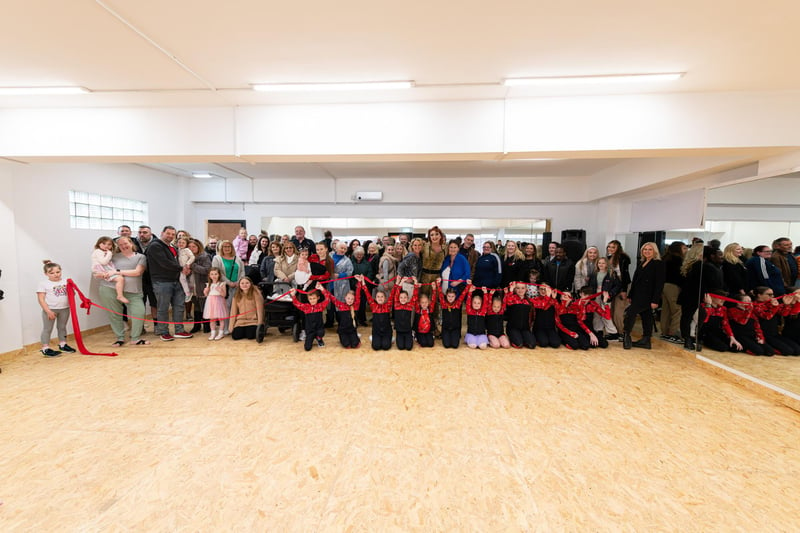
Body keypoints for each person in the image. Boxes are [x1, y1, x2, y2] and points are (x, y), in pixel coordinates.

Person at [94, 237, 149, 347]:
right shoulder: (112, 257)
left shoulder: (140, 257)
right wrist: (101, 274)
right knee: (114, 314)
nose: (124, 246)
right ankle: (120, 338)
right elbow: (98, 271)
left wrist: (117, 272)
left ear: (131, 243)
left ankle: (135, 338)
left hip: (134, 291)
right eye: (120, 244)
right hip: (109, 288)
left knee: (139, 312)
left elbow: (137, 272)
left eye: (125, 243)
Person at [145, 226, 193, 341]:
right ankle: (164, 332)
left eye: (173, 234)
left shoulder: (172, 247)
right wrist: (181, 268)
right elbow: (164, 262)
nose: (170, 236)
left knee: (179, 307)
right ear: (162, 233)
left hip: (176, 281)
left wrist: (185, 268)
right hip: (162, 282)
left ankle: (179, 330)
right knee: (163, 308)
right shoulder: (155, 246)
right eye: (168, 233)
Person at [622, 242, 665, 350]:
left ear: (654, 251)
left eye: (650, 249)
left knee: (630, 314)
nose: (647, 251)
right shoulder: (642, 262)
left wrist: (655, 300)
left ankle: (626, 335)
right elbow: (636, 281)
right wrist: (630, 295)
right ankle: (646, 340)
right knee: (647, 317)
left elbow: (659, 283)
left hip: (648, 296)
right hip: (638, 294)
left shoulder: (658, 264)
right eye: (645, 249)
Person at [37, 260, 75, 356]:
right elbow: (41, 299)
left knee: (62, 327)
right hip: (50, 309)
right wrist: (48, 311)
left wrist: (72, 289)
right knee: (47, 329)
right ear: (46, 274)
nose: (56, 274)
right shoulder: (44, 284)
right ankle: (45, 348)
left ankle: (63, 344)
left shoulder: (66, 281)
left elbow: (72, 294)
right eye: (52, 273)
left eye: (58, 272)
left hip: (64, 309)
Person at [211, 240, 245, 335]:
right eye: (225, 246)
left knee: (236, 307)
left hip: (237, 286)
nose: (227, 248)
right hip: (224, 287)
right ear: (221, 248)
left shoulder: (237, 258)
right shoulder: (217, 258)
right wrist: (229, 282)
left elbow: (242, 271)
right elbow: (217, 272)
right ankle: (225, 328)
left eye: (229, 246)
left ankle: (236, 327)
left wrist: (239, 282)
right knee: (225, 308)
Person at [588, 257, 620, 340]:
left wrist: (610, 293)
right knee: (596, 314)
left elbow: (617, 286)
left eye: (603, 263)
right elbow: (590, 285)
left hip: (605, 296)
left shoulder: (611, 273)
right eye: (599, 263)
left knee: (605, 314)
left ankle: (613, 333)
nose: (601, 265)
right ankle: (598, 330)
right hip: (595, 296)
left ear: (606, 264)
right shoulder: (594, 273)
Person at [359, 276, 395, 351]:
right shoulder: (373, 306)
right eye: (378, 297)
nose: (380, 298)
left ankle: (390, 339)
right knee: (376, 347)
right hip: (377, 332)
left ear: (385, 298)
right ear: (375, 298)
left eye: (382, 297)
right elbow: (367, 293)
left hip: (386, 332)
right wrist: (362, 281)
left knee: (386, 347)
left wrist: (398, 282)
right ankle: (374, 338)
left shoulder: (387, 306)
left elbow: (392, 294)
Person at [660, 241, 686, 343]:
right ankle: (673, 333)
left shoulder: (665, 259)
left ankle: (665, 332)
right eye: (684, 248)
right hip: (674, 287)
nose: (686, 250)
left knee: (666, 310)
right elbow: (680, 276)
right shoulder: (678, 260)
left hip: (664, 286)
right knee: (677, 310)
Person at [290, 286, 329, 351]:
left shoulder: (320, 306)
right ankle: (312, 338)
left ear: (318, 298)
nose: (312, 300)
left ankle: (319, 339)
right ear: (308, 299)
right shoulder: (306, 307)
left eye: (314, 298)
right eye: (310, 299)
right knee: (307, 348)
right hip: (310, 331)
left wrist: (322, 289)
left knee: (321, 333)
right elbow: (296, 303)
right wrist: (293, 295)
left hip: (319, 329)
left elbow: (327, 299)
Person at [91, 236, 128, 304]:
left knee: (120, 278)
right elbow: (103, 262)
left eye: (109, 244)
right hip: (101, 269)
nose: (106, 246)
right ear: (99, 244)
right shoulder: (98, 251)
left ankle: (120, 295)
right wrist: (109, 253)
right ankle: (120, 295)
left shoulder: (103, 252)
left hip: (105, 268)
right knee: (120, 279)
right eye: (104, 244)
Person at [606, 240, 632, 336]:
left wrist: (624, 290)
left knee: (618, 311)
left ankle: (622, 332)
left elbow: (625, 275)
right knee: (611, 310)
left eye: (613, 247)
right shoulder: (608, 258)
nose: (610, 249)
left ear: (618, 248)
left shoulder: (623, 258)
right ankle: (614, 332)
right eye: (609, 247)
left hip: (622, 285)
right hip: (613, 285)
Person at [187, 239, 212, 334]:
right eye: (189, 247)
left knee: (204, 305)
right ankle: (196, 325)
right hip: (192, 284)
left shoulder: (204, 256)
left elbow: (207, 270)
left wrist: (193, 266)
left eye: (194, 247)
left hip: (201, 284)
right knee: (196, 306)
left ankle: (207, 326)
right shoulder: (187, 257)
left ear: (198, 247)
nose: (191, 249)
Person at [438, 279, 469, 349]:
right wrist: (438, 284)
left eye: (452, 296)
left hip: (455, 329)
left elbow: (464, 294)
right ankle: (445, 335)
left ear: (455, 297)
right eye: (449, 296)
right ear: (446, 296)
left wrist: (468, 285)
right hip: (446, 328)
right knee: (447, 345)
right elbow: (440, 293)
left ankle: (455, 336)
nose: (450, 298)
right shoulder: (444, 304)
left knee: (455, 345)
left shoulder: (457, 304)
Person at [504, 282, 536, 349]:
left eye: (522, 288)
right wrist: (510, 291)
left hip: (525, 328)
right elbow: (507, 301)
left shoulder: (529, 301)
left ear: (526, 289)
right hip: (513, 328)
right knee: (519, 344)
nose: (520, 290)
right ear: (515, 289)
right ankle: (515, 337)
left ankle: (523, 337)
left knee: (532, 344)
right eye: (518, 288)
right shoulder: (512, 298)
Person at [350, 246, 373, 326]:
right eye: (357, 254)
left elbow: (370, 274)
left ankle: (362, 320)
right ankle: (354, 319)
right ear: (354, 254)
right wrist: (355, 283)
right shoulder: (351, 263)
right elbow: (349, 275)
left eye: (361, 254)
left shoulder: (367, 263)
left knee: (362, 304)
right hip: (354, 287)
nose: (359, 256)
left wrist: (363, 282)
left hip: (363, 287)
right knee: (354, 304)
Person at [203, 267, 228, 340]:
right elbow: (206, 295)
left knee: (221, 319)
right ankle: (213, 333)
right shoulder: (208, 284)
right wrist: (205, 291)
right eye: (212, 274)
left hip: (219, 301)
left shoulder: (222, 284)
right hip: (210, 302)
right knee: (212, 319)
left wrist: (220, 290)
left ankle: (221, 333)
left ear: (219, 275)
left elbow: (224, 295)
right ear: (209, 275)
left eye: (216, 274)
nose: (214, 276)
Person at [393, 278, 417, 351]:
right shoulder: (397, 305)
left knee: (409, 347)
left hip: (407, 331)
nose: (403, 299)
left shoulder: (409, 306)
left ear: (407, 298)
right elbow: (397, 292)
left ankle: (411, 336)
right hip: (399, 331)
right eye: (401, 297)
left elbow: (415, 296)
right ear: (398, 298)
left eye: (405, 297)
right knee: (400, 347)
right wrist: (402, 282)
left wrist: (415, 282)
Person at [464, 284, 491, 349]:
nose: (476, 304)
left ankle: (480, 340)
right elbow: (468, 302)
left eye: (478, 303)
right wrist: (470, 292)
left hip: (481, 334)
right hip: (471, 334)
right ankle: (470, 339)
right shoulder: (470, 311)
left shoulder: (483, 312)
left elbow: (486, 303)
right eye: (474, 303)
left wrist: (485, 293)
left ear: (481, 304)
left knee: (483, 347)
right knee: (473, 346)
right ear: (472, 303)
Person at [413, 281, 436, 348]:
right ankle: (416, 335)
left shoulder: (430, 309)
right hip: (420, 331)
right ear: (419, 303)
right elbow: (415, 298)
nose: (424, 304)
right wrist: (416, 288)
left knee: (430, 344)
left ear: (428, 302)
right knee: (423, 344)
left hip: (428, 331)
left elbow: (434, 300)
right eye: (422, 302)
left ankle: (430, 336)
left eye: (426, 302)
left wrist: (434, 289)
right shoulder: (418, 310)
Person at [176, 236, 195, 303]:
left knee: (183, 279)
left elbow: (192, 257)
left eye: (183, 243)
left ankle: (188, 294)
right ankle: (188, 293)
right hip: (180, 268)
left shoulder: (187, 250)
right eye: (179, 242)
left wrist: (188, 264)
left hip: (185, 266)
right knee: (183, 279)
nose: (181, 244)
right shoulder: (178, 250)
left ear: (186, 244)